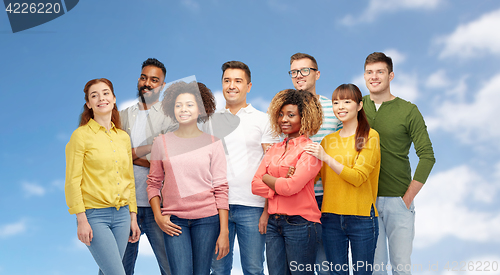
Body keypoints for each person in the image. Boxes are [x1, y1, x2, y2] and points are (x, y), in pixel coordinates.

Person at [362, 52, 435, 275]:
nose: (374, 77)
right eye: (369, 72)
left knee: (401, 268)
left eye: (380, 72)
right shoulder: (355, 106)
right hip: (365, 202)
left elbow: (427, 156)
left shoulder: (408, 111)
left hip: (398, 201)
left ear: (390, 75)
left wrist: (408, 197)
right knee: (374, 269)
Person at [147, 81, 229, 275]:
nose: (183, 109)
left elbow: (221, 188)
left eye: (189, 104)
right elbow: (153, 183)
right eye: (178, 105)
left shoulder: (213, 143)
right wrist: (158, 217)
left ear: (200, 108)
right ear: (172, 108)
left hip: (207, 220)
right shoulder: (161, 142)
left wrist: (224, 231)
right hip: (174, 220)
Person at [207, 61, 279, 275]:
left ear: (248, 86)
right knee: (218, 269)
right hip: (217, 207)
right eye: (227, 80)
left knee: (254, 269)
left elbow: (271, 167)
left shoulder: (264, 120)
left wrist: (267, 210)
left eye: (238, 81)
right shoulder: (210, 121)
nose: (232, 85)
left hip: (253, 207)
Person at [65, 78, 141, 275]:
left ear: (114, 99)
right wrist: (81, 219)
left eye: (106, 93)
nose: (101, 98)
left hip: (123, 216)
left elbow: (129, 179)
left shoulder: (123, 138)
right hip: (94, 216)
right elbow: (73, 181)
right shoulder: (80, 136)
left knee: (107, 271)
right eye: (94, 95)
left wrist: (133, 216)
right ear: (89, 104)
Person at [305, 84, 381, 275]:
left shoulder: (369, 136)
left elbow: (358, 177)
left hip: (362, 218)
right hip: (330, 217)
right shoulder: (327, 141)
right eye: (336, 102)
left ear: (360, 105)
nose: (341, 106)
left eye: (347, 101)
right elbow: (315, 178)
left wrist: (326, 158)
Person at [252, 89, 323, 275]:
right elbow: (254, 184)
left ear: (304, 117)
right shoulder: (274, 148)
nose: (284, 119)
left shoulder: (311, 150)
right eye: (281, 114)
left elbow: (291, 187)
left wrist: (268, 179)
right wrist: (280, 183)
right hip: (274, 224)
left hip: (301, 223)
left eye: (291, 115)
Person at [120, 58, 176, 275]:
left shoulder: (171, 118)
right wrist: (148, 154)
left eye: (154, 80)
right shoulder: (122, 116)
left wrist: (130, 156)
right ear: (138, 80)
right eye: (144, 78)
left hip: (160, 208)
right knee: (117, 269)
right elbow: (113, 156)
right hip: (125, 206)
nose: (147, 83)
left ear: (162, 85)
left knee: (172, 268)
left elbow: (167, 162)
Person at [289, 53, 342, 273]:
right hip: (296, 199)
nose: (299, 76)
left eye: (305, 70)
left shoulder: (335, 109)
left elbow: (345, 149)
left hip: (328, 198)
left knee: (325, 265)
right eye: (294, 72)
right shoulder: (286, 112)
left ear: (317, 74)